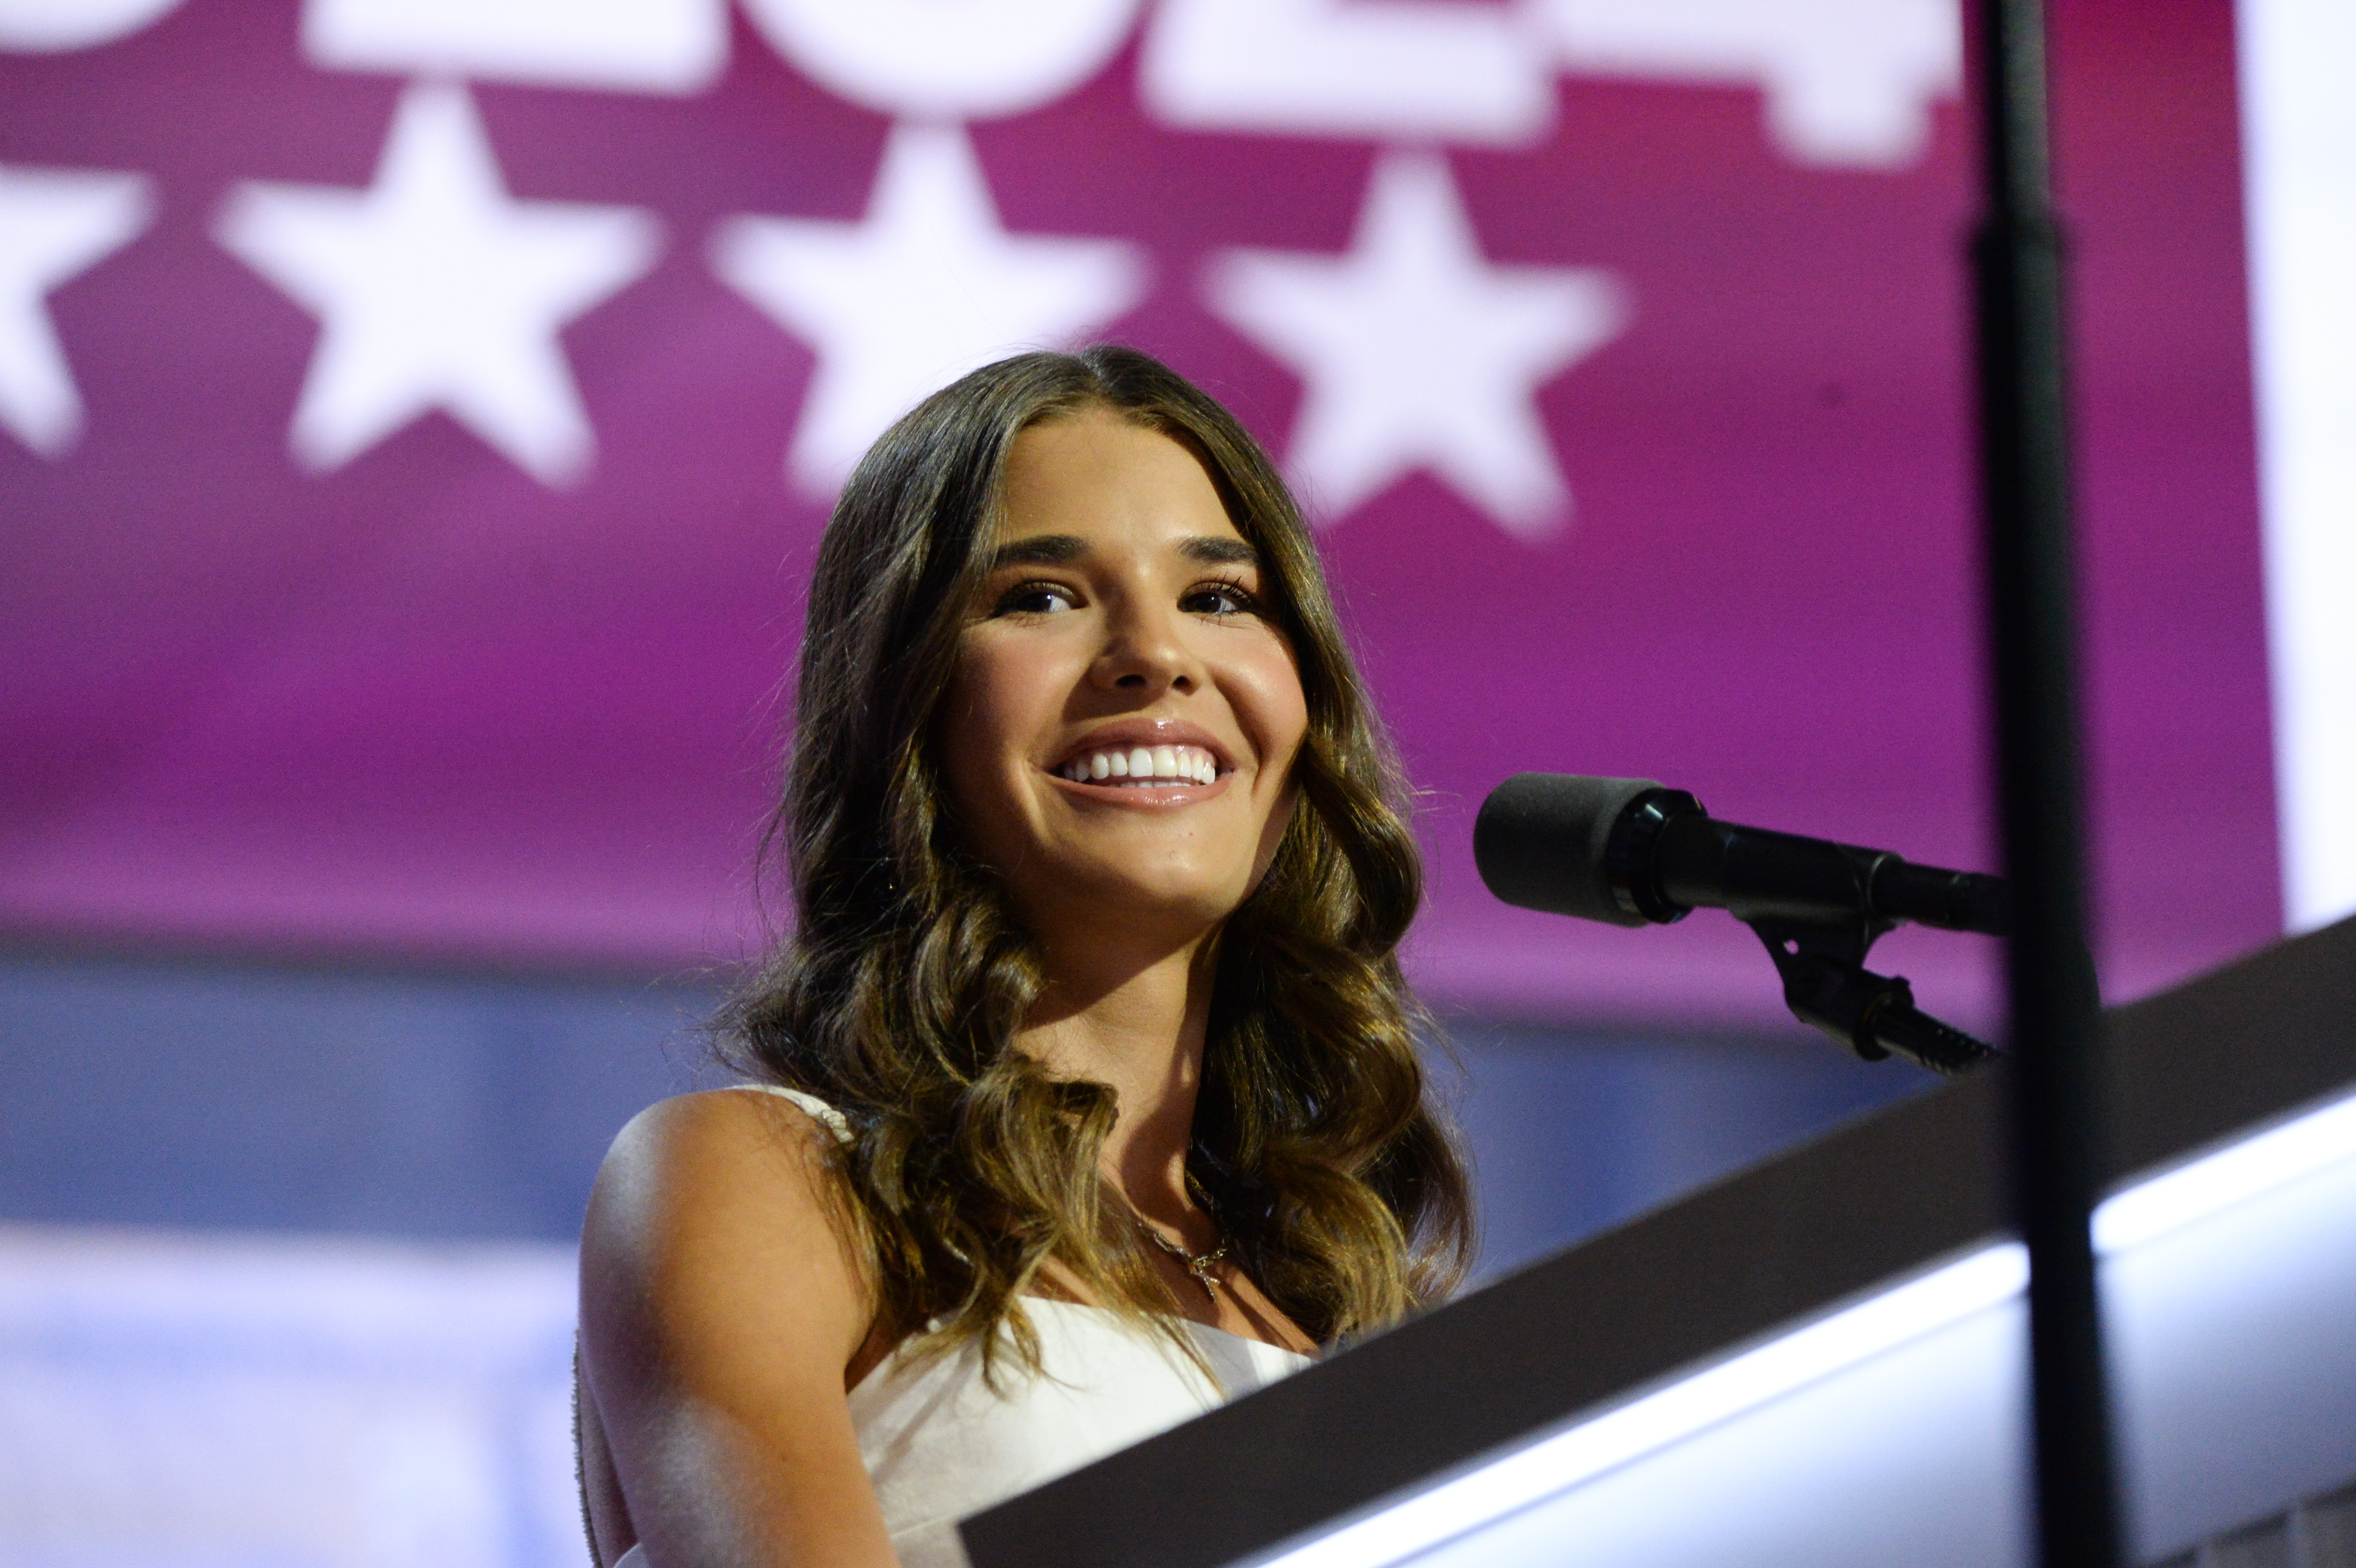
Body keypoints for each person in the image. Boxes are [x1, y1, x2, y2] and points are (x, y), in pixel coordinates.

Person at [574, 346, 1473, 1568]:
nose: (1155, 656)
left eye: (1219, 598)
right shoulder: (769, 1182)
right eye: (1041, 596)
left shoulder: (1340, 1295)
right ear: (908, 704)